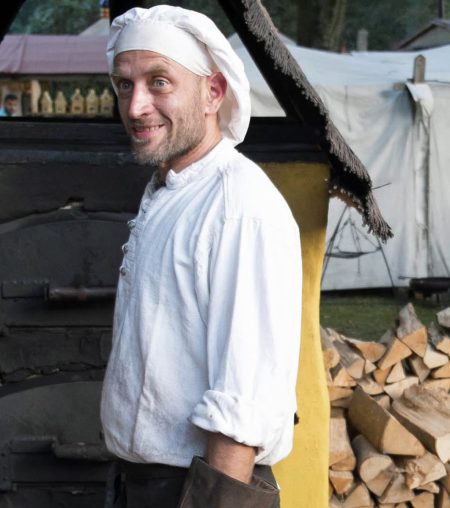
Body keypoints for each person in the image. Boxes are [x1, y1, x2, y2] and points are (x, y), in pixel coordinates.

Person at [100, 6, 302, 508]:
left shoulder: (240, 209)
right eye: (125, 85)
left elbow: (243, 403)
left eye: (159, 82)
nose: (136, 106)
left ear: (213, 93)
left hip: (198, 490)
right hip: (142, 483)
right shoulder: (172, 188)